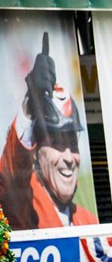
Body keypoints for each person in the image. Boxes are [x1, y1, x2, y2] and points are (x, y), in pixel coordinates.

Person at [0, 33, 97, 230]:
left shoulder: (90, 222)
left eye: (72, 143)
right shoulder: (24, 208)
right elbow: (10, 177)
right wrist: (31, 102)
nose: (68, 157)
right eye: (57, 144)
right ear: (35, 153)